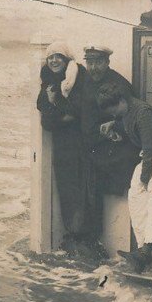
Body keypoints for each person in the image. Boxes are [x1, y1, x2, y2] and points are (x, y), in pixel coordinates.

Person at [95, 84, 152, 273]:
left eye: (114, 110)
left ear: (122, 101)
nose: (114, 115)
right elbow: (126, 122)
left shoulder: (143, 114)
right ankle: (143, 249)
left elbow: (150, 149)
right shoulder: (128, 110)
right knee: (136, 195)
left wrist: (146, 178)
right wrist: (114, 125)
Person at [36, 41, 100, 255]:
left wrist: (56, 105)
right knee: (66, 187)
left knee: (82, 187)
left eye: (59, 57)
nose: (54, 61)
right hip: (62, 143)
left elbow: (77, 111)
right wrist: (57, 111)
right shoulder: (48, 77)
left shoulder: (78, 76)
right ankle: (73, 234)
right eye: (51, 57)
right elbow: (45, 114)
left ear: (67, 60)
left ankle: (84, 236)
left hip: (80, 141)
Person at [80, 45, 140, 197]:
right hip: (86, 148)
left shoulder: (119, 84)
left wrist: (115, 127)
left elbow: (135, 116)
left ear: (107, 62)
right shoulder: (85, 80)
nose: (93, 67)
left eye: (98, 62)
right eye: (90, 62)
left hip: (107, 152)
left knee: (102, 198)